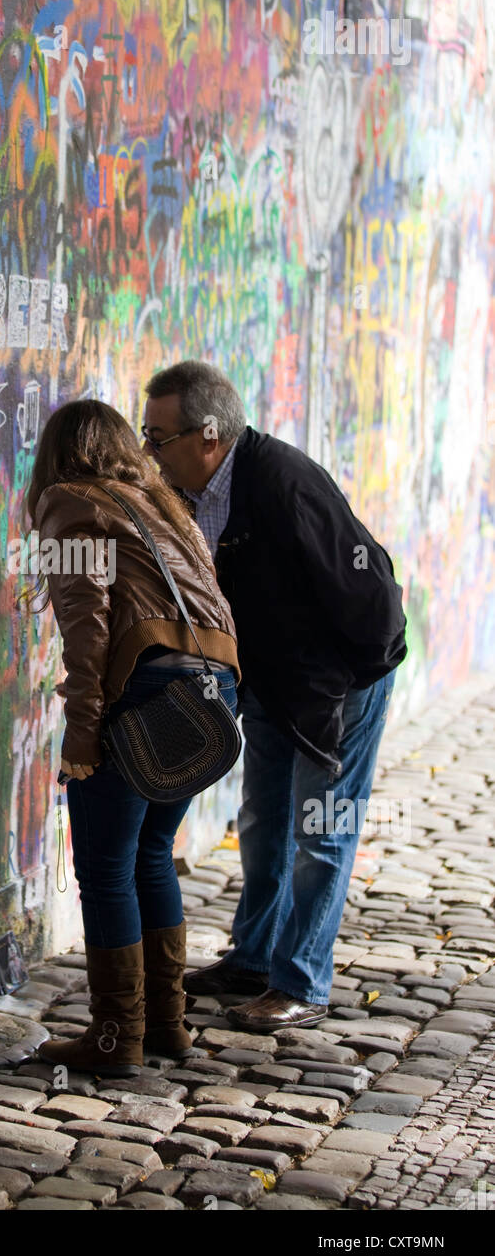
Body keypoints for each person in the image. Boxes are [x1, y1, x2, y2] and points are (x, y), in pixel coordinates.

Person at [142, 361, 407, 1031]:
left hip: (335, 687)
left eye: (159, 436)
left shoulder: (285, 483)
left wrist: (341, 690)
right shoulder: (194, 490)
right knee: (262, 827)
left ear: (208, 435)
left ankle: (303, 983)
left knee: (321, 833)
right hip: (270, 683)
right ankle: (254, 960)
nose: (149, 450)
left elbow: (370, 598)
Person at [26, 399, 240, 1074]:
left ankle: (115, 1037)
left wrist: (82, 733)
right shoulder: (162, 503)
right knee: (151, 853)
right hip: (211, 689)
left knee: (106, 864)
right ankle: (167, 1026)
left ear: (59, 453)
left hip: (147, 691)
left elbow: (87, 625)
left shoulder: (71, 500)